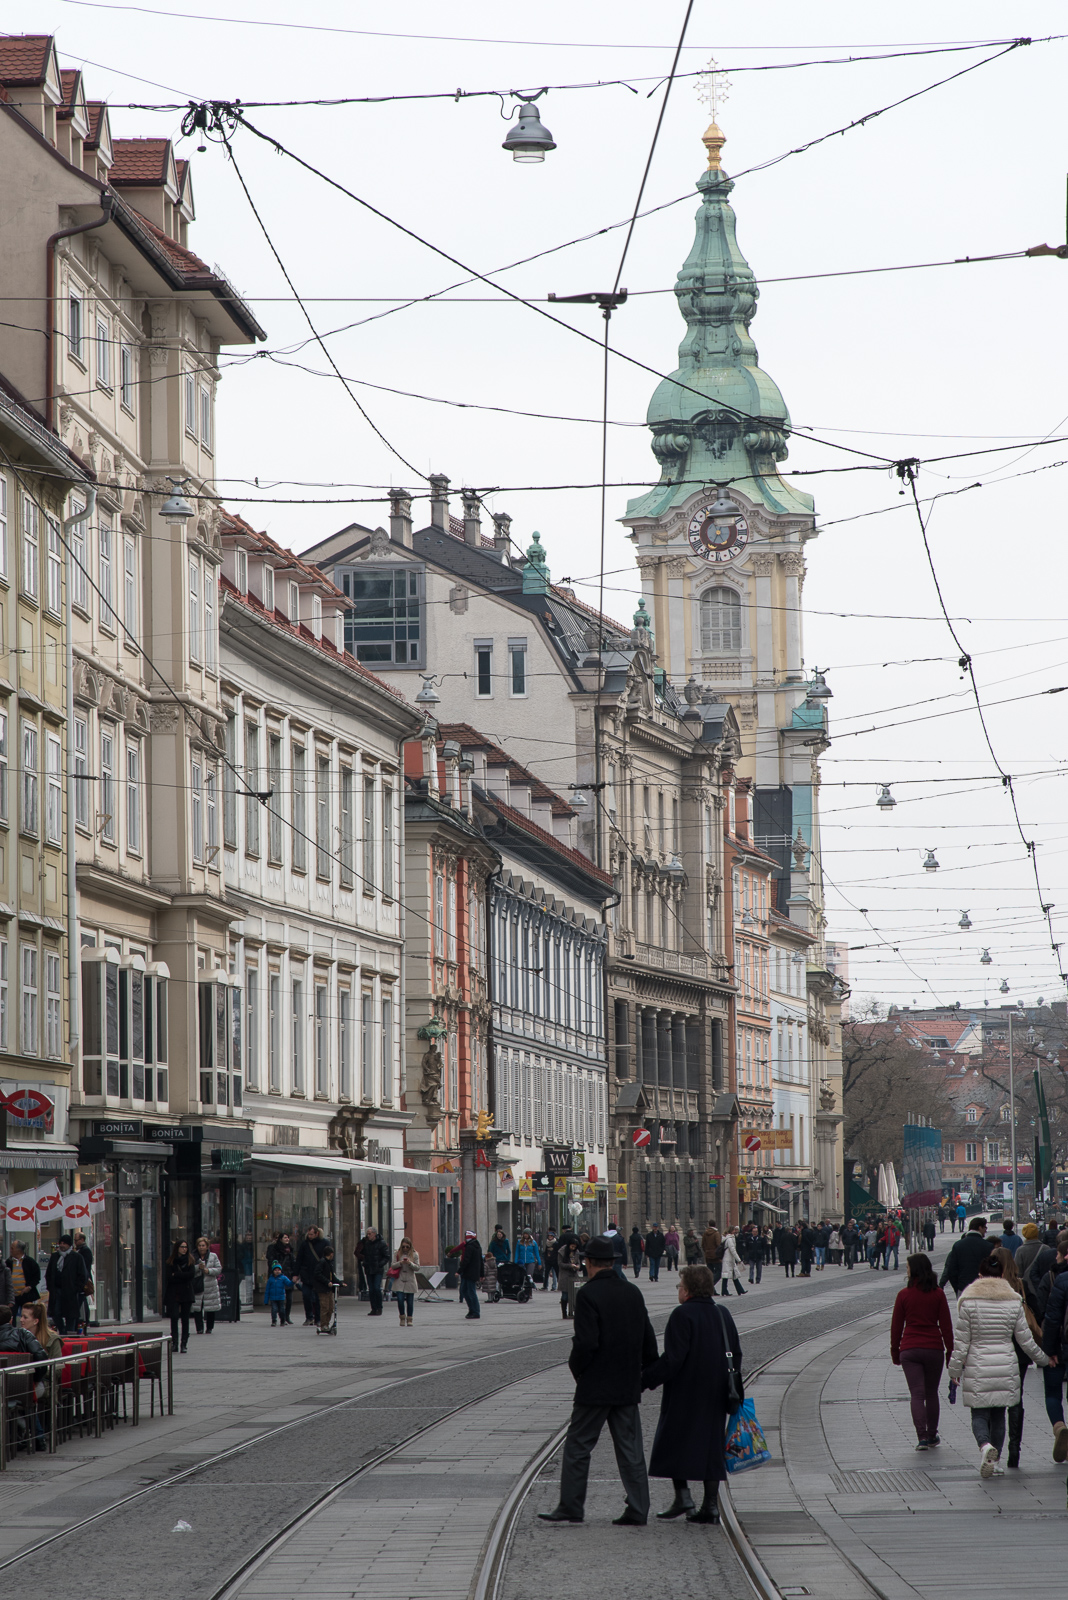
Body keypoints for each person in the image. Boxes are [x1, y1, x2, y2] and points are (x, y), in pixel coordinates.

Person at [538, 1236, 658, 1526]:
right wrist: (643, 1374)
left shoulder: (589, 1295)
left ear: (589, 1263)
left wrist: (577, 1370)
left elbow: (586, 1343)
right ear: (613, 1263)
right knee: (631, 1449)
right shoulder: (632, 1292)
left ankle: (571, 1506)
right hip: (626, 1384)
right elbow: (648, 1339)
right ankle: (639, 1507)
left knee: (578, 1446)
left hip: (595, 1385)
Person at [643, 1264, 743, 1524]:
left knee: (675, 1438)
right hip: (717, 1390)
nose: (678, 1290)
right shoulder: (722, 1313)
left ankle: (683, 1495)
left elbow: (673, 1359)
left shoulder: (682, 1315)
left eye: (679, 1286)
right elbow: (736, 1353)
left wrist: (645, 1379)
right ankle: (710, 1505)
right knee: (712, 1445)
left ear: (687, 1290)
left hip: (686, 1390)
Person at [948, 1251, 1052, 1478]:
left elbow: (962, 1342)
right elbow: (1026, 1340)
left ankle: (985, 1447)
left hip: (978, 1365)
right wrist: (1045, 1359)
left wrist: (954, 1371)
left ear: (979, 1276)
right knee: (999, 1415)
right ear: (1002, 1274)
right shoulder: (1013, 1302)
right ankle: (995, 1463)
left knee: (979, 1415)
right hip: (1006, 1364)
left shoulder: (968, 1303)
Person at [891, 1252, 954, 1449]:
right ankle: (933, 1434)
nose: (907, 1271)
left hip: (910, 1349)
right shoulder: (938, 1294)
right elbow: (946, 1327)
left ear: (914, 1270)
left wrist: (895, 1352)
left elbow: (896, 1327)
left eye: (908, 1268)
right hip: (933, 1348)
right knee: (931, 1393)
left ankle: (922, 1437)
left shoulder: (903, 1295)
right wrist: (950, 1352)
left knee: (916, 1394)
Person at [991, 1245, 1042, 1467]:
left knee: (995, 1400)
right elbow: (1038, 1312)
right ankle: (1015, 1447)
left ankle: (995, 1448)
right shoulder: (1020, 1286)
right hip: (1019, 1353)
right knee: (1016, 1398)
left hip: (994, 1351)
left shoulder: (987, 1289)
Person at [1040, 1232, 1068, 1463]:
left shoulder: (1061, 1280)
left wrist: (1049, 1350)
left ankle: (1059, 1427)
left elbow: (1052, 1318)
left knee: (1052, 1393)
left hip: (1060, 1345)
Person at [940, 1216, 995, 1297]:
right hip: (983, 1288)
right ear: (980, 1227)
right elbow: (993, 1269)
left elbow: (952, 1270)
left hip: (963, 1288)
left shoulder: (958, 1245)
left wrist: (957, 1287)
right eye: (985, 1227)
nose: (986, 1230)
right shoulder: (988, 1246)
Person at [44, 1235, 87, 1335]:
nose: (62, 1245)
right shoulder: (55, 1256)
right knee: (56, 1313)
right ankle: (62, 1330)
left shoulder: (76, 1257)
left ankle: (69, 1332)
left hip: (70, 1291)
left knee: (70, 1315)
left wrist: (76, 1288)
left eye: (64, 1243)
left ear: (69, 1245)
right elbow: (49, 1273)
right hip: (57, 1290)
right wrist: (50, 1287)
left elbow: (82, 1275)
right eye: (61, 1243)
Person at [164, 1240, 196, 1352]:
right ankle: (174, 1343)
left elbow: (191, 1275)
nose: (184, 1249)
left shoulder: (190, 1261)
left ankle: (184, 1343)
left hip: (186, 1292)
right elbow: (169, 1277)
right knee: (174, 1317)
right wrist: (182, 1276)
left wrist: (177, 1274)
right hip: (174, 1293)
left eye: (186, 1247)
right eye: (182, 1247)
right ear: (177, 1248)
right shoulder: (171, 1261)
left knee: (185, 1319)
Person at [295, 1226, 329, 1326]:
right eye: (308, 1234)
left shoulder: (324, 1243)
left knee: (318, 1298)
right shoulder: (305, 1244)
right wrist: (296, 1274)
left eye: (311, 1234)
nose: (309, 1236)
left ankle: (318, 1318)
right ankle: (309, 1317)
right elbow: (299, 1259)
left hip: (318, 1276)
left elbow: (328, 1259)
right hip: (306, 1275)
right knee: (306, 1295)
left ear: (316, 1234)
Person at [191, 1236, 223, 1335]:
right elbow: (189, 1269)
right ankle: (199, 1328)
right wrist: (197, 1268)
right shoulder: (192, 1256)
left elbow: (218, 1269)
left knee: (210, 1308)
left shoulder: (213, 1256)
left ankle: (209, 1327)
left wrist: (208, 1270)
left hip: (210, 1285)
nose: (201, 1247)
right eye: (200, 1245)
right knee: (197, 1308)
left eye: (203, 1245)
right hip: (197, 1285)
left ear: (207, 1246)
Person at [359, 1227, 390, 1318]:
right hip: (369, 1269)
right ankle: (373, 1308)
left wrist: (380, 1264)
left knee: (376, 1288)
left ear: (374, 1234)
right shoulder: (367, 1243)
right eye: (367, 1234)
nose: (368, 1236)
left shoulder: (381, 1243)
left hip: (377, 1270)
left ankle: (379, 1307)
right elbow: (363, 1254)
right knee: (371, 1289)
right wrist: (365, 1263)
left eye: (369, 1234)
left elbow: (386, 1256)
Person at [267, 1233, 296, 1324]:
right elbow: (271, 1261)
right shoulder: (274, 1249)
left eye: (288, 1237)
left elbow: (293, 1262)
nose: (287, 1239)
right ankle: (281, 1317)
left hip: (288, 1275)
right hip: (278, 1276)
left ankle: (287, 1316)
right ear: (280, 1239)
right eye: (285, 1237)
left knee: (289, 1299)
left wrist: (295, 1273)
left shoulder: (289, 1249)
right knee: (280, 1299)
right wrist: (276, 1271)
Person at [391, 1237, 420, 1327]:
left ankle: (410, 1319)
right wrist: (400, 1263)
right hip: (399, 1279)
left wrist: (410, 1263)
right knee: (400, 1300)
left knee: (410, 1302)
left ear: (410, 1246)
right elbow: (392, 1265)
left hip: (410, 1280)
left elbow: (418, 1267)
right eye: (403, 1247)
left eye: (407, 1247)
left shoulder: (414, 1254)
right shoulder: (397, 1253)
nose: (405, 1249)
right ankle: (402, 1317)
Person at [6, 1240, 41, 1311]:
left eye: (12, 1248)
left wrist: (29, 1287)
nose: (10, 1250)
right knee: (11, 1315)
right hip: (12, 1296)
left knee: (27, 1313)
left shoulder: (30, 1262)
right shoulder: (9, 1262)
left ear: (18, 1250)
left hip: (25, 1295)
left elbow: (36, 1277)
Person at [313, 1246, 340, 1335]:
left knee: (330, 1308)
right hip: (323, 1289)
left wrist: (340, 1282)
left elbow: (332, 1276)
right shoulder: (322, 1262)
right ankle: (323, 1325)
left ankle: (326, 1324)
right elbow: (317, 1274)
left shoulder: (329, 1263)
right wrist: (327, 1282)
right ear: (331, 1254)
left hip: (329, 1289)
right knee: (325, 1307)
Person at [557, 1228, 582, 1321]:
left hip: (574, 1275)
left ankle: (574, 1312)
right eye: (572, 1246)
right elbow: (560, 1263)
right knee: (565, 1295)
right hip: (565, 1275)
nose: (573, 1248)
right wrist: (569, 1265)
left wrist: (578, 1266)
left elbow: (578, 1262)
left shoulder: (577, 1252)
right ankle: (564, 1312)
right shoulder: (562, 1251)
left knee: (576, 1294)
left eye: (575, 1246)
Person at [72, 1230, 94, 1331]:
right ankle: (81, 1321)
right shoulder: (77, 1250)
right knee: (81, 1301)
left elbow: (85, 1266)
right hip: (78, 1281)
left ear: (82, 1240)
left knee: (82, 1301)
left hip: (83, 1281)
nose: (75, 1242)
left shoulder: (85, 1251)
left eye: (76, 1240)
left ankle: (84, 1321)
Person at [459, 1231, 483, 1319]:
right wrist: (481, 1274)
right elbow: (481, 1262)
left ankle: (475, 1311)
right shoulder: (477, 1247)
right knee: (466, 1290)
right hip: (472, 1273)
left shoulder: (470, 1247)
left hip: (468, 1273)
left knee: (469, 1292)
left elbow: (466, 1260)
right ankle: (472, 1310)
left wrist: (459, 1271)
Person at [718, 1227, 747, 1297]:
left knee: (734, 1275)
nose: (735, 1231)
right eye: (734, 1230)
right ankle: (724, 1291)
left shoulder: (729, 1238)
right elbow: (733, 1250)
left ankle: (740, 1290)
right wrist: (738, 1259)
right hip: (728, 1260)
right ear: (731, 1231)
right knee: (726, 1275)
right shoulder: (729, 1239)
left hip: (730, 1259)